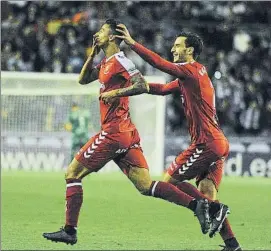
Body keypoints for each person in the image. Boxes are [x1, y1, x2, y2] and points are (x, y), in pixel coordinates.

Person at [42, 19, 219, 246]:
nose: (97, 34)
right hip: (125, 136)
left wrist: (115, 94)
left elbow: (140, 84)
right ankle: (198, 205)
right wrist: (92, 54)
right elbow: (83, 79)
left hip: (114, 132)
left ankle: (69, 230)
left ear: (113, 37)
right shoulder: (106, 63)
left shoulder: (120, 61)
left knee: (72, 174)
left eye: (102, 31)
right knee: (145, 186)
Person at [100, 24, 241, 251]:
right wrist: (138, 87)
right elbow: (164, 88)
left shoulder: (190, 70)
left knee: (168, 182)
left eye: (178, 46)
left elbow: (159, 64)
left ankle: (211, 210)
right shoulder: (194, 75)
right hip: (218, 143)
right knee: (208, 197)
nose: (173, 49)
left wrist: (132, 43)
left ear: (190, 50)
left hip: (206, 143)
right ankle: (232, 244)